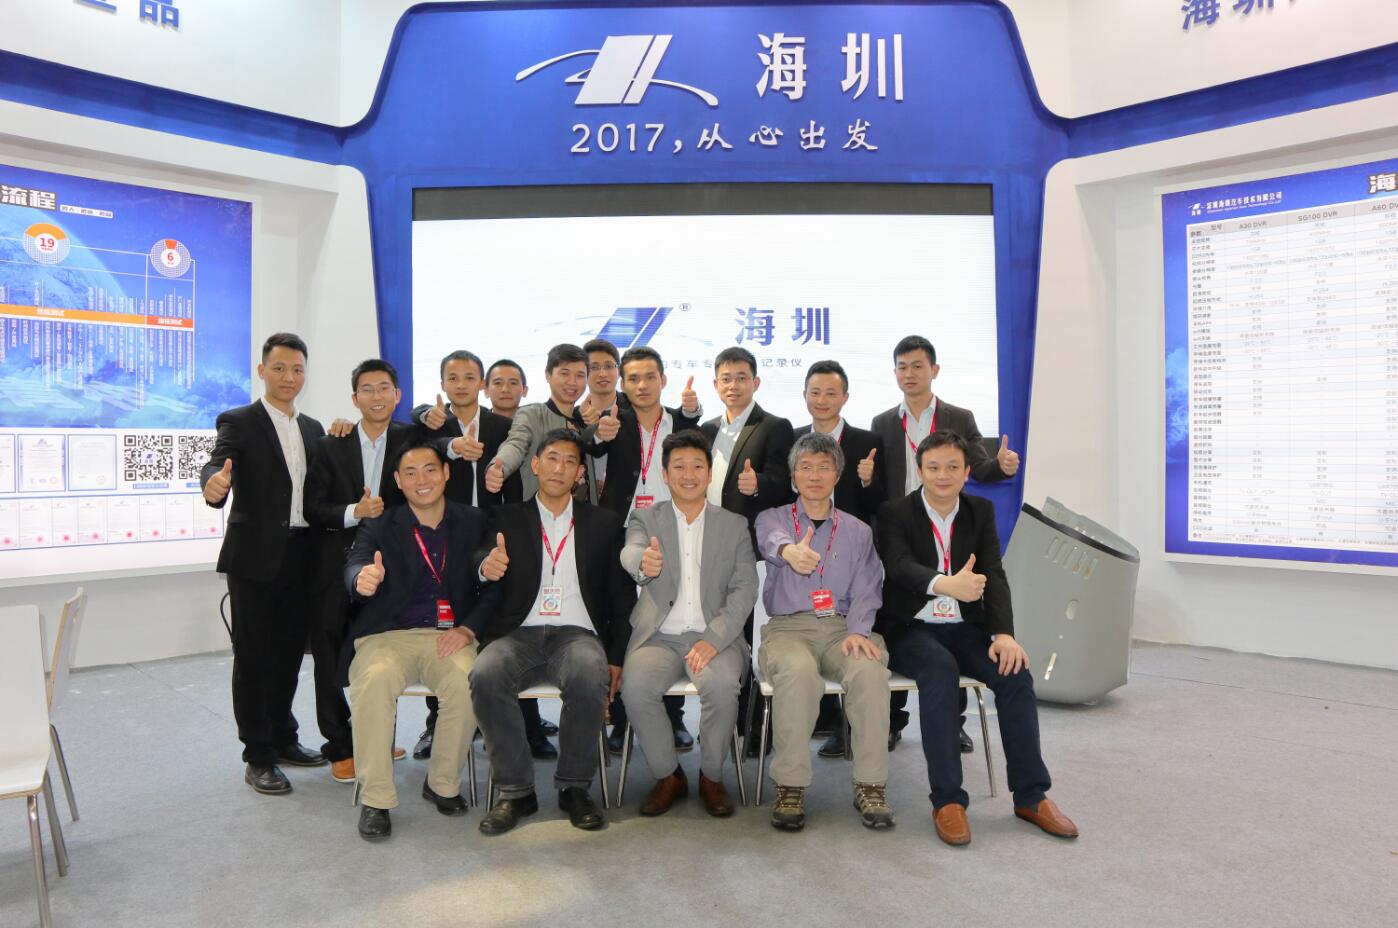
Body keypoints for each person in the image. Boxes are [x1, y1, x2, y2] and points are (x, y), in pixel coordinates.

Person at [875, 431, 1077, 846]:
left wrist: (1004, 634)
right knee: (939, 670)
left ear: (967, 472)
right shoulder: (895, 512)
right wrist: (945, 584)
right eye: (934, 467)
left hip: (966, 627)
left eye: (953, 467)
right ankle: (948, 800)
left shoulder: (980, 511)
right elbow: (898, 566)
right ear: (920, 471)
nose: (943, 475)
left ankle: (1031, 796)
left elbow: (994, 574)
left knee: (1015, 672)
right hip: (911, 627)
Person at [470, 429, 636, 834]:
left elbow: (621, 597)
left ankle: (574, 788)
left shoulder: (603, 523)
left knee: (588, 672)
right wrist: (485, 566)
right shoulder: (507, 518)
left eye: (570, 461)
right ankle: (516, 791)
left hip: (577, 634)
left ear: (580, 473)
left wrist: (616, 656)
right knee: (486, 672)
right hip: (519, 633)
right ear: (535, 464)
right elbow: (480, 557)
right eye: (552, 458)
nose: (560, 468)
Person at [342, 442, 500, 839]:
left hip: (451, 635)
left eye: (430, 469)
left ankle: (442, 783)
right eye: (410, 473)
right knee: (374, 680)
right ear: (398, 480)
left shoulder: (473, 520)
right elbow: (356, 562)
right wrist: (362, 579)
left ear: (446, 473)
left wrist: (469, 629)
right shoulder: (381, 524)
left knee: (468, 680)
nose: (421, 480)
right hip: (387, 635)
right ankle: (376, 798)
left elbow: (491, 583)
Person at [871, 335, 1019, 753]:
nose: (909, 374)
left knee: (952, 624)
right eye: (902, 367)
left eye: (917, 366)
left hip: (948, 529)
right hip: (904, 530)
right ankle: (892, 720)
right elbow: (879, 482)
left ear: (934, 370)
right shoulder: (883, 422)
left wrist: (1000, 466)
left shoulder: (959, 416)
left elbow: (976, 466)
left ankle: (952, 723)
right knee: (902, 622)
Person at [200, 333, 327, 794]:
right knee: (254, 658)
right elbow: (218, 464)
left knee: (290, 655)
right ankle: (258, 755)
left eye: (297, 369)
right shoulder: (239, 421)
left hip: (303, 555)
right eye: (279, 368)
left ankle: (284, 737)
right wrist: (213, 484)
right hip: (255, 558)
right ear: (262, 371)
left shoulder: (312, 428)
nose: (289, 377)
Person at [406, 350, 547, 763]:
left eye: (470, 377)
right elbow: (419, 446)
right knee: (444, 625)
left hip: (494, 534)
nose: (461, 384)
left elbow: (516, 476)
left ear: (481, 385)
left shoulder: (503, 426)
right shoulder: (432, 423)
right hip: (442, 537)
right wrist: (448, 442)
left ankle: (528, 723)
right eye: (453, 377)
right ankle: (438, 723)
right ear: (442, 384)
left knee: (505, 624)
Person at [753, 431, 893, 832]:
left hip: (842, 628)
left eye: (824, 467)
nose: (814, 475)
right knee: (797, 673)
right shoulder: (773, 518)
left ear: (837, 475)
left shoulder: (858, 531)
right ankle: (791, 785)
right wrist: (790, 551)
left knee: (869, 671)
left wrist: (860, 631)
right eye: (805, 467)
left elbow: (869, 587)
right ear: (793, 476)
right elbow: (772, 541)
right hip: (788, 628)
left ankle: (870, 784)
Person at [619, 430, 758, 817]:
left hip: (715, 637)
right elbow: (631, 551)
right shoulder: (646, 517)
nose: (689, 474)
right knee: (636, 687)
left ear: (710, 474)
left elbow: (745, 588)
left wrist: (714, 639)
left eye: (698, 466)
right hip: (659, 637)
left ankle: (711, 777)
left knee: (721, 687)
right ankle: (669, 776)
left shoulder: (734, 525)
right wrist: (643, 563)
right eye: (679, 466)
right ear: (665, 474)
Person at [303, 359, 412, 783]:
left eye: (384, 388)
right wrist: (355, 511)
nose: (376, 396)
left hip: (392, 565)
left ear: (397, 395)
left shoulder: (412, 440)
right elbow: (314, 508)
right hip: (334, 564)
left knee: (383, 651)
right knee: (329, 654)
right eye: (367, 389)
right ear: (354, 398)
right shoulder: (331, 444)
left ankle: (379, 737)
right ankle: (340, 745)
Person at [595, 345, 702, 754]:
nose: (642, 385)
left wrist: (694, 410)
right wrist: (597, 433)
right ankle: (623, 719)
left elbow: (698, 442)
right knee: (623, 620)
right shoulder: (612, 421)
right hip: (619, 533)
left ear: (663, 380)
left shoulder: (680, 423)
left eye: (650, 377)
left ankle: (673, 717)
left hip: (672, 531)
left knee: (671, 621)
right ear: (623, 384)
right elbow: (590, 443)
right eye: (633, 378)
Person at [795, 360, 888, 759]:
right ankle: (824, 716)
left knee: (850, 631)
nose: (822, 399)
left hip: (850, 555)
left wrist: (868, 480)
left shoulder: (868, 440)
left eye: (831, 392)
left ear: (845, 397)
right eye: (815, 392)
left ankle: (848, 728)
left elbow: (881, 503)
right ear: (804, 395)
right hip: (805, 552)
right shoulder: (794, 438)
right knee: (812, 630)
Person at [483, 343, 614, 501]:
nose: (572, 382)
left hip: (584, 514)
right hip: (541, 513)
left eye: (580, 375)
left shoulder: (585, 418)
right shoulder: (532, 414)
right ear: (548, 375)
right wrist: (499, 467)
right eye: (564, 373)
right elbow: (516, 443)